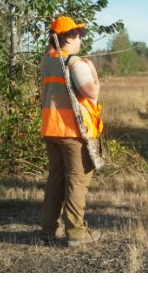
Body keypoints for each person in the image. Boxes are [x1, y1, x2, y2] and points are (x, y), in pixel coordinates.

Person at [40, 16, 103, 247]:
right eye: (78, 34)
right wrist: (93, 71)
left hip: (51, 129)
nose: (80, 39)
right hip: (73, 132)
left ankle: (48, 230)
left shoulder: (47, 60)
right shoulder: (75, 62)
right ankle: (75, 233)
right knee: (77, 181)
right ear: (68, 37)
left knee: (55, 180)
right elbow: (91, 92)